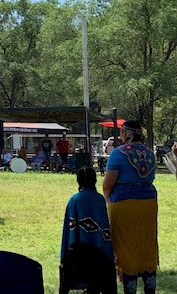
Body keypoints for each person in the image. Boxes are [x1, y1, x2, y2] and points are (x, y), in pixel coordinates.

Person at [102, 120, 158, 294]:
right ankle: (150, 287)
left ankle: (130, 288)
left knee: (126, 249)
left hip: (124, 204)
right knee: (147, 246)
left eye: (122, 131)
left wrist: (109, 201)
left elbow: (107, 185)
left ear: (127, 133)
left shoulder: (118, 154)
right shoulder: (150, 154)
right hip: (149, 205)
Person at [60, 166, 115, 294]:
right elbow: (104, 230)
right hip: (100, 258)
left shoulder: (74, 200)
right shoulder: (99, 199)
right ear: (95, 180)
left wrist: (64, 255)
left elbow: (69, 230)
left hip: (76, 258)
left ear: (78, 181)